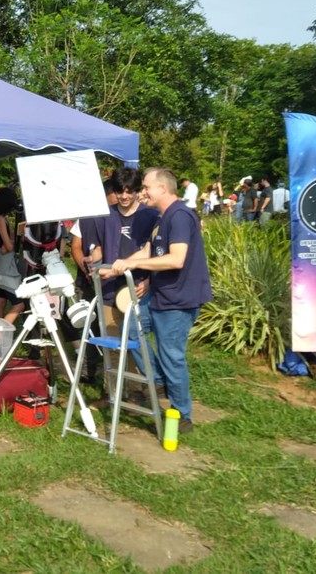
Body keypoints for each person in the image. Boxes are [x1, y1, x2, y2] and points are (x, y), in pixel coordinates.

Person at [109, 167, 213, 434]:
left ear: (163, 189)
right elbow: (148, 249)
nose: (142, 192)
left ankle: (182, 414)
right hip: (160, 293)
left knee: (171, 356)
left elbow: (176, 259)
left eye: (146, 187)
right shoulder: (162, 218)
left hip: (178, 300)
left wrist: (137, 266)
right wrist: (116, 267)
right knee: (130, 331)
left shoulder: (179, 216)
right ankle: (157, 380)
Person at [83, 167, 161, 394]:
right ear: (114, 191)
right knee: (112, 345)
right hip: (109, 289)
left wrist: (149, 282)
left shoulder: (151, 216)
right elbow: (99, 249)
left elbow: (157, 254)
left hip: (138, 291)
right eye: (120, 191)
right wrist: (92, 260)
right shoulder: (105, 216)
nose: (125, 196)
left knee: (136, 345)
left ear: (138, 191)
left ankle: (140, 392)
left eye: (130, 191)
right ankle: (113, 396)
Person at [0, 186, 25, 323]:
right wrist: (12, 242)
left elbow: (8, 244)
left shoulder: (1, 218)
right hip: (5, 268)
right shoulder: (0, 220)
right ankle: (1, 331)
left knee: (0, 302)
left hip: (2, 263)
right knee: (19, 304)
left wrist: (10, 244)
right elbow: (9, 246)